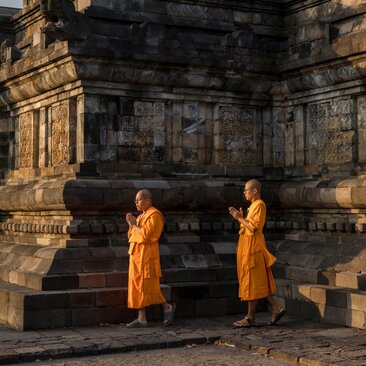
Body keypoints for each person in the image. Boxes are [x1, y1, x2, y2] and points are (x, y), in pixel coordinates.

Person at [228, 179, 285, 327]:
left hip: (253, 246)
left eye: (246, 190)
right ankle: (274, 308)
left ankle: (250, 317)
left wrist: (240, 218)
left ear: (254, 191)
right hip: (247, 245)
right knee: (253, 280)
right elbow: (249, 224)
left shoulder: (260, 205)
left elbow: (253, 228)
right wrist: (242, 219)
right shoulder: (252, 206)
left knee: (253, 280)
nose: (244, 193)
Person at [125, 189, 176, 328]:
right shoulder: (141, 216)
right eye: (135, 200)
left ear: (147, 201)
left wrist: (134, 225)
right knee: (137, 286)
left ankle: (167, 306)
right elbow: (132, 236)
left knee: (149, 286)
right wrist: (131, 225)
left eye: (139, 200)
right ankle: (142, 318)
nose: (136, 202)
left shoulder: (154, 215)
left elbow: (148, 236)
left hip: (146, 257)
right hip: (136, 256)